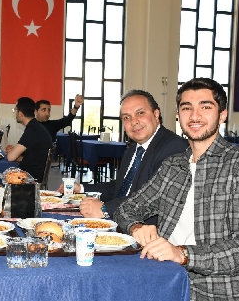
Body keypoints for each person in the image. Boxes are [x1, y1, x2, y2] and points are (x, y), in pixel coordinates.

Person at [113, 77, 239, 301]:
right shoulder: (174, 165)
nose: (194, 115)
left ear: (222, 115)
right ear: (178, 115)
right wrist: (137, 226)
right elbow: (126, 208)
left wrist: (182, 254)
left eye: (205, 107)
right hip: (166, 279)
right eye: (187, 108)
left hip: (218, 296)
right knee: (102, 295)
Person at [60, 90, 188, 218]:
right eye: (126, 117)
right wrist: (81, 188)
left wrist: (105, 209)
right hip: (121, 219)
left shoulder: (174, 147)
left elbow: (154, 197)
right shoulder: (133, 149)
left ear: (156, 114)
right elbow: (119, 187)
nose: (134, 121)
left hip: (144, 226)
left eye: (140, 113)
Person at [6, 97, 53, 182]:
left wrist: (11, 153)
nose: (15, 113)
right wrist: (14, 152)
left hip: (30, 178)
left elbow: (10, 157)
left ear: (20, 114)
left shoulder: (32, 130)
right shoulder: (36, 126)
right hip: (35, 172)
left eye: (15, 110)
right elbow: (30, 157)